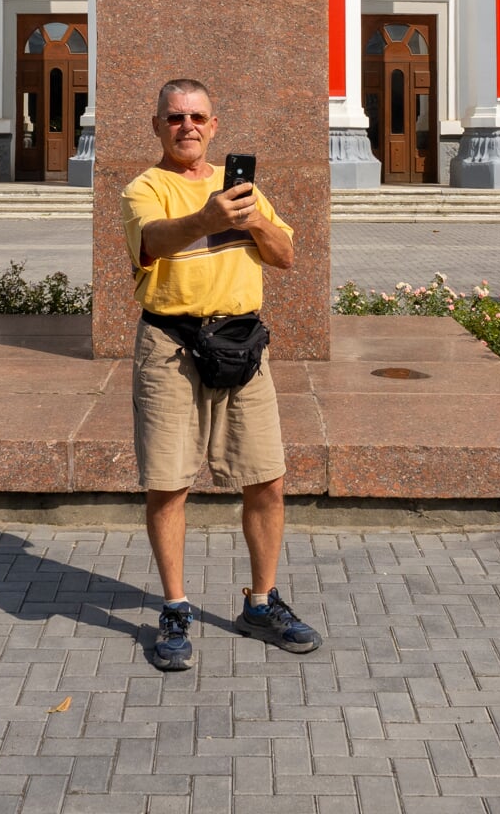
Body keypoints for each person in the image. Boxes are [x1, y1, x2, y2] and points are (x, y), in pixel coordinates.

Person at [120, 78, 322, 672]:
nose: (187, 126)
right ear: (157, 125)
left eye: (197, 117)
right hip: (171, 349)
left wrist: (254, 219)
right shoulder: (144, 188)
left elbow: (285, 255)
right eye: (175, 117)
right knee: (169, 484)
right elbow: (151, 242)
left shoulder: (244, 190)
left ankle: (260, 604)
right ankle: (176, 608)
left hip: (240, 346)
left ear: (214, 126)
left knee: (267, 479)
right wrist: (206, 217)